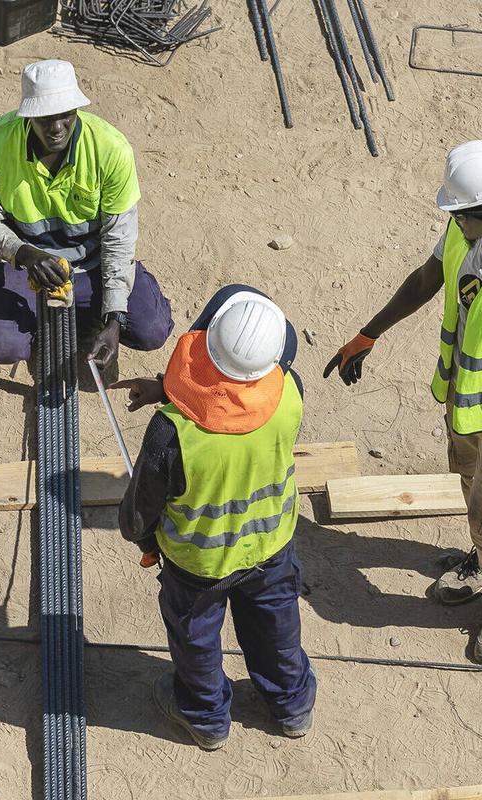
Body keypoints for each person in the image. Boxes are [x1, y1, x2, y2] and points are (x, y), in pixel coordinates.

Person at [325, 140, 482, 666]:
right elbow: (424, 280)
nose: (454, 220)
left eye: (462, 213)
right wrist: (368, 335)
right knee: (472, 491)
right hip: (463, 404)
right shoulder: (463, 236)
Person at [116, 285, 315, 750]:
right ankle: (292, 707)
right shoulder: (290, 392)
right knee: (276, 629)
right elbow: (238, 403)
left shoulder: (171, 431)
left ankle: (205, 717)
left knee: (197, 640)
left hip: (197, 565)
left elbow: (138, 515)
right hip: (270, 547)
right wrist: (169, 388)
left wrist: (144, 539)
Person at [0, 59, 174, 371]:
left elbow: (118, 239)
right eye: (45, 118)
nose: (57, 127)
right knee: (3, 344)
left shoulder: (110, 149)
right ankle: (42, 310)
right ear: (28, 115)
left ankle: (82, 309)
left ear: (77, 109)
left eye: (66, 114)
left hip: (91, 263)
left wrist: (114, 318)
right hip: (25, 264)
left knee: (150, 329)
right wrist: (25, 254)